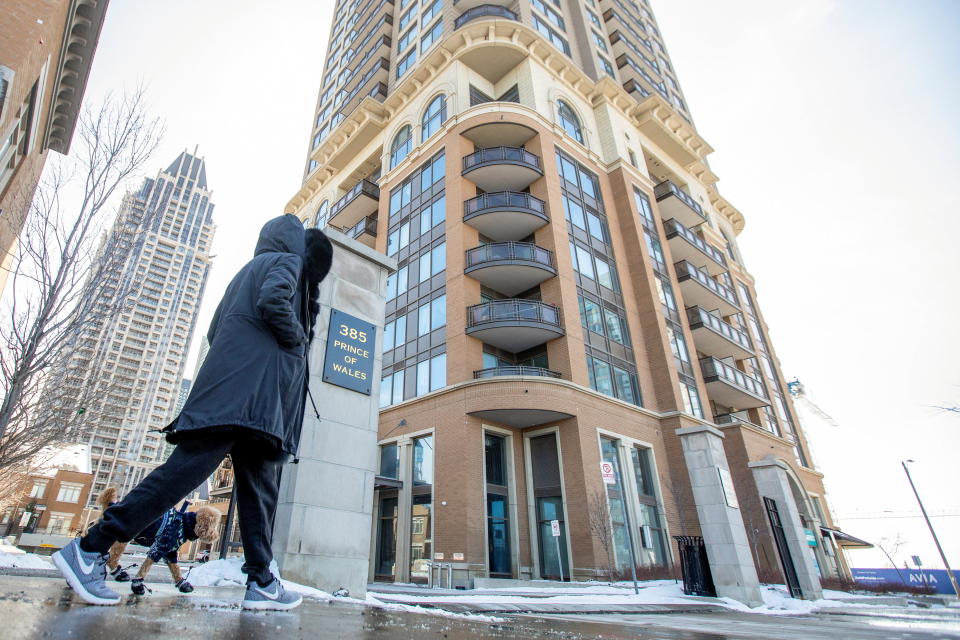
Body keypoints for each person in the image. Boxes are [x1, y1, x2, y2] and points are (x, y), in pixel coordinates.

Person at [53, 215, 333, 609]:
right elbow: (274, 301)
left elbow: (214, 332)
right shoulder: (287, 263)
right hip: (246, 398)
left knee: (260, 493)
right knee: (180, 475)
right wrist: (297, 343)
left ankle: (262, 579)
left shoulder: (244, 272)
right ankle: (90, 547)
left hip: (242, 398)